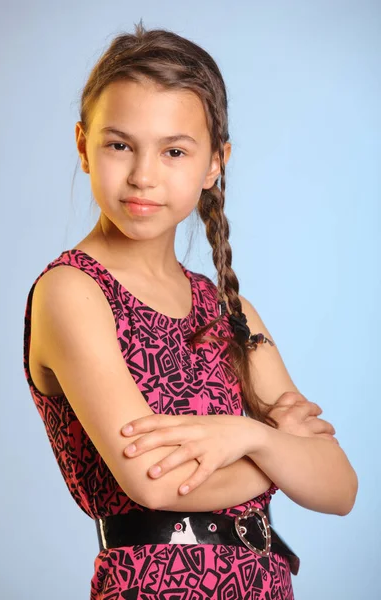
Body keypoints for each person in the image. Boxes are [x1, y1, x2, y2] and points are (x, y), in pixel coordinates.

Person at [23, 22, 358, 600]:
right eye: (119, 144)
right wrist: (272, 444)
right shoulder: (71, 292)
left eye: (174, 150)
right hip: (157, 587)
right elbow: (157, 484)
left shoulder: (228, 310)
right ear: (83, 145)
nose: (143, 175)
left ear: (213, 164)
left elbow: (338, 487)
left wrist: (248, 440)